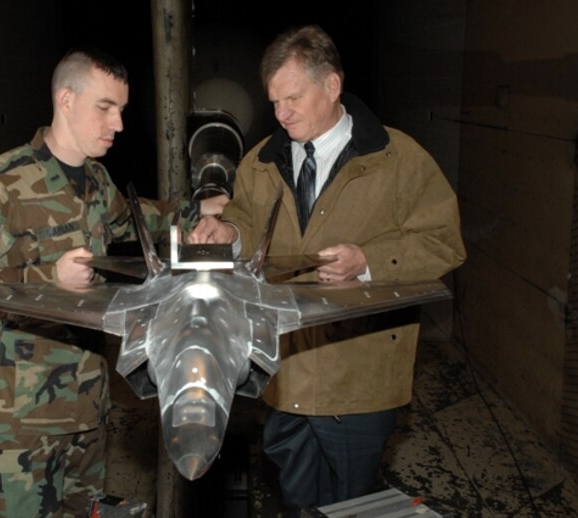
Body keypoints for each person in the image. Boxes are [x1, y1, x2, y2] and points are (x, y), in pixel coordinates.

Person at [0, 47, 225, 518]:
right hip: (22, 417)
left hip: (86, 404)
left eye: (122, 110)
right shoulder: (2, 183)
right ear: (66, 100)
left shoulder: (96, 182)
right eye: (105, 108)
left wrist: (198, 212)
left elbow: (137, 219)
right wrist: (49, 276)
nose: (119, 124)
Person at [188, 25, 466, 515]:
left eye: (293, 98)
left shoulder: (397, 159)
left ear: (332, 86)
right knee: (296, 501)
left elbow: (444, 242)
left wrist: (369, 263)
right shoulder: (261, 161)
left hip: (358, 377)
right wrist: (228, 233)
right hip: (286, 372)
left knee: (352, 504)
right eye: (274, 102)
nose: (281, 114)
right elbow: (248, 219)